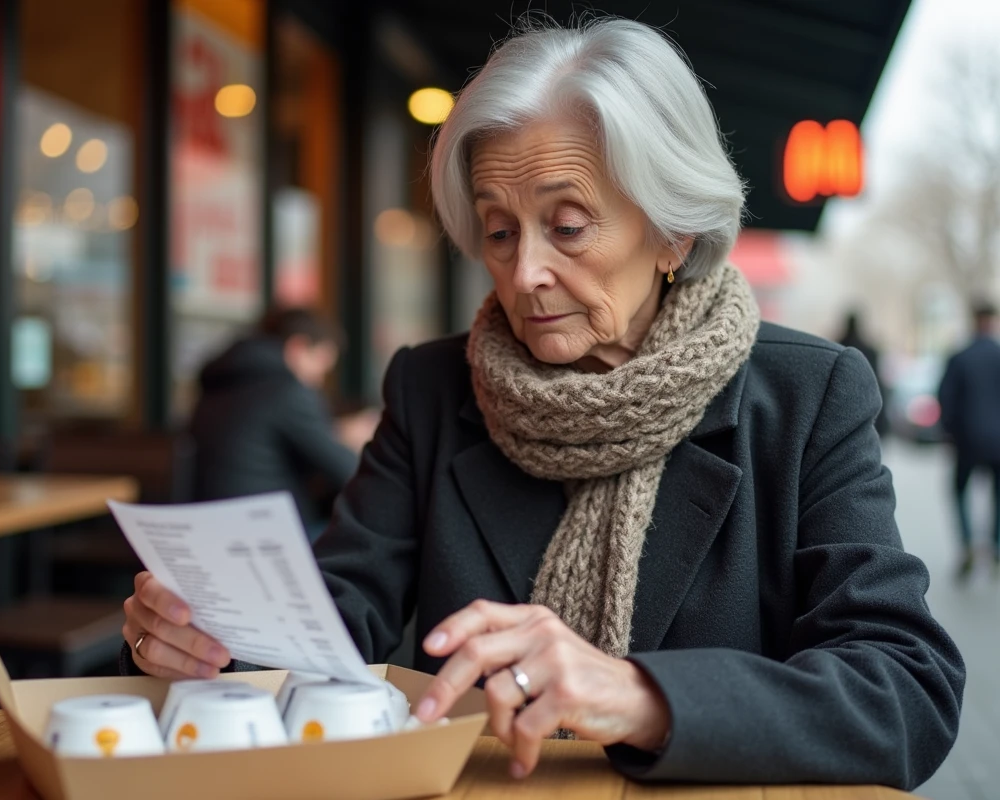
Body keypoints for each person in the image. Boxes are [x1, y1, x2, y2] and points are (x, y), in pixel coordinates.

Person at [122, 19, 963, 790]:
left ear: (673, 230)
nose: (524, 273)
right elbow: (339, 622)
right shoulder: (431, 386)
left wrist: (638, 695)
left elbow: (905, 689)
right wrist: (219, 639)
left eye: (567, 226)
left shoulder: (806, 394)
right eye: (498, 230)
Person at [188, 307, 375, 539]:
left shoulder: (222, 384)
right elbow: (350, 473)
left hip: (212, 528)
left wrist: (333, 433)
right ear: (298, 347)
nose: (318, 379)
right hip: (267, 535)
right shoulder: (288, 392)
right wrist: (349, 439)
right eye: (320, 364)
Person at [938, 301, 1000, 578]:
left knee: (959, 492)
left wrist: (950, 433)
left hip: (967, 441)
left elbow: (945, 399)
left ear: (975, 320)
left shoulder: (960, 357)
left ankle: (967, 545)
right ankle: (996, 547)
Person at [837, 310, 889, 437]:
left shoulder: (836, 348)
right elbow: (877, 382)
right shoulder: (869, 350)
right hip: (866, 405)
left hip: (842, 407)